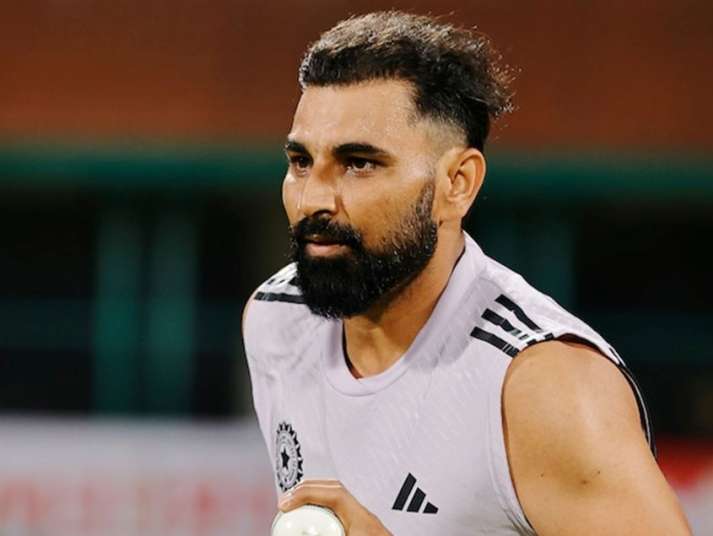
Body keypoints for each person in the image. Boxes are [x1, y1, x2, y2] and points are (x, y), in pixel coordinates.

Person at [243, 11, 690, 535]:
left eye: (359, 163)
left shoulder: (541, 384)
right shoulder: (276, 320)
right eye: (301, 162)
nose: (312, 199)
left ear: (457, 183)